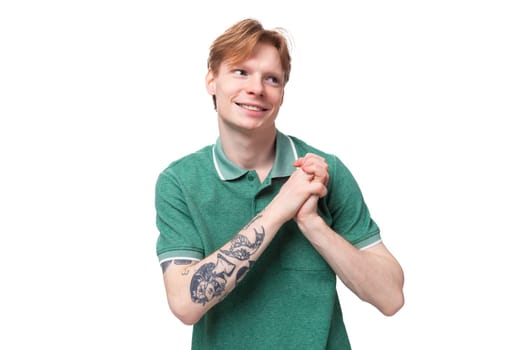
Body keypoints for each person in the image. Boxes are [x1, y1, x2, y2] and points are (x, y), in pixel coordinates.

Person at [155, 18, 404, 349]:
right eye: (241, 72)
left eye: (271, 78)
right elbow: (185, 304)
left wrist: (313, 224)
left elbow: (390, 297)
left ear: (283, 92)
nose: (256, 88)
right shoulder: (180, 182)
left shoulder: (324, 172)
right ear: (212, 81)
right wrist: (280, 208)